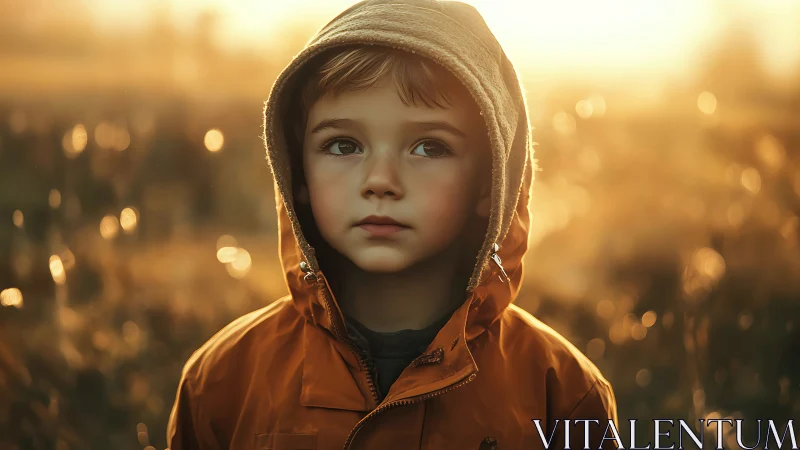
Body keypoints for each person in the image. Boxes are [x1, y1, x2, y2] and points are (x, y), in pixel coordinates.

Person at [167, 0, 618, 448]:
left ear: (490, 182)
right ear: (298, 174)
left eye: (429, 147)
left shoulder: (561, 393)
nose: (380, 181)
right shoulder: (223, 382)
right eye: (343, 146)